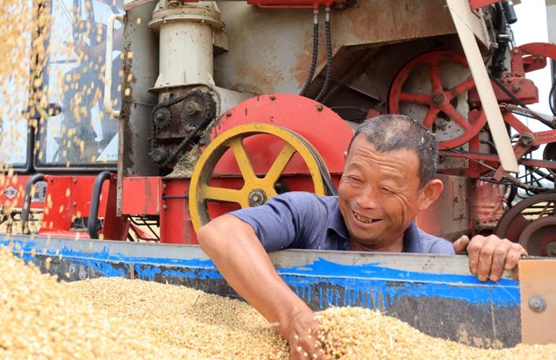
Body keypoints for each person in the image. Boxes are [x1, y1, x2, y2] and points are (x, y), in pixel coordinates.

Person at [197, 114, 527, 360]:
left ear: (426, 194)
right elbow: (221, 233)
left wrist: (497, 256)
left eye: (386, 188)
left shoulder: (436, 256)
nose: (364, 201)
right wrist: (292, 317)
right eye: (355, 179)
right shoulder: (307, 216)